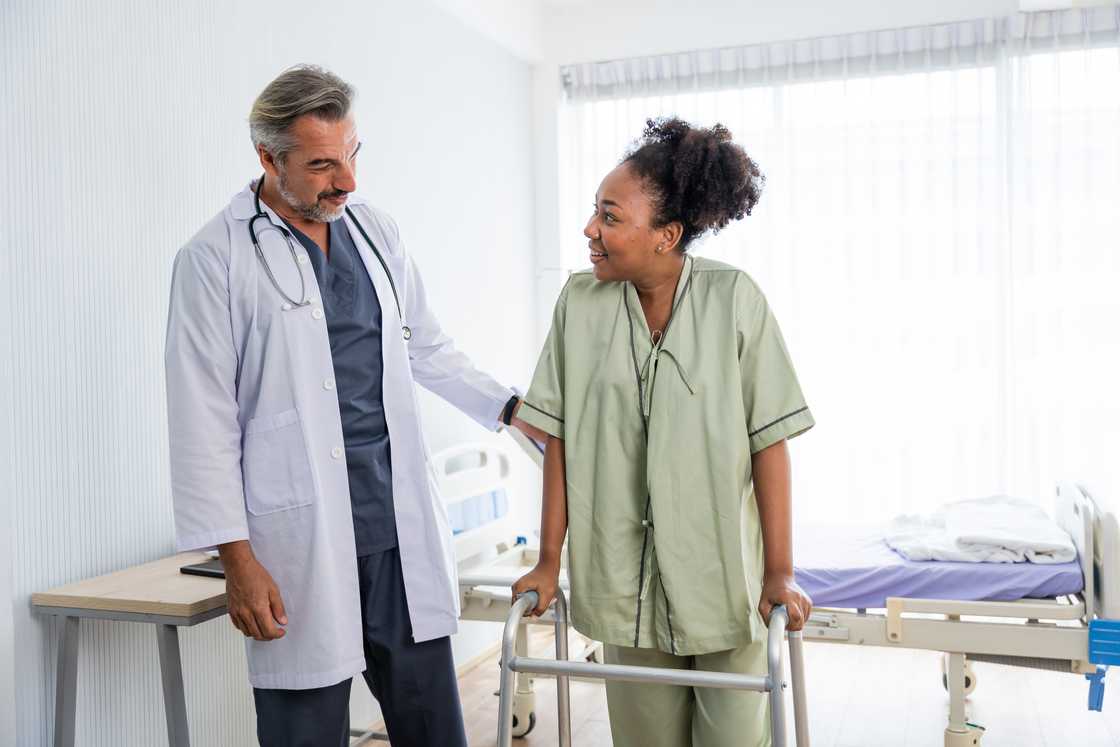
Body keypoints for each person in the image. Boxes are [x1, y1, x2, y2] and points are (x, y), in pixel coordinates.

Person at [165, 64, 544, 747]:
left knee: (434, 728)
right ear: (267, 157)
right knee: (305, 731)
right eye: (321, 165)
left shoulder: (374, 231)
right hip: (298, 545)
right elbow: (202, 421)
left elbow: (426, 347)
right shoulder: (213, 258)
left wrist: (512, 406)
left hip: (396, 533)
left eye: (352, 156)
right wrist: (239, 561)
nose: (348, 181)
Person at [513, 117, 814, 747]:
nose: (590, 231)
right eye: (595, 213)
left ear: (666, 235)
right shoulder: (578, 305)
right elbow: (559, 441)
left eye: (611, 217)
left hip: (725, 585)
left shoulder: (735, 301)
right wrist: (547, 562)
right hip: (623, 585)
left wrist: (779, 572)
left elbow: (769, 442)